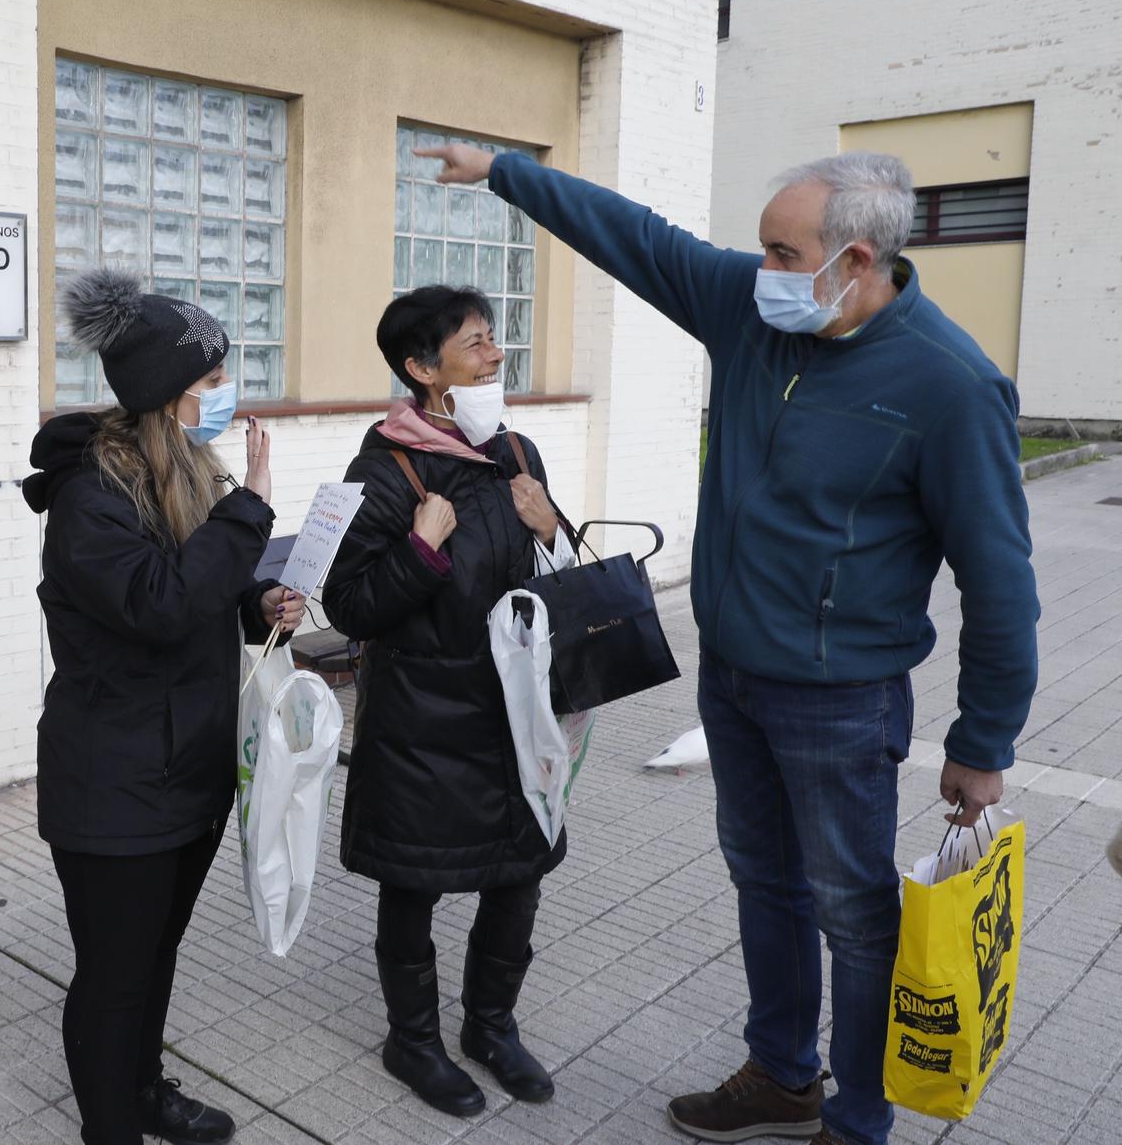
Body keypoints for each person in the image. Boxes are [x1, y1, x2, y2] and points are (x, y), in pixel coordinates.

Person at [415, 141, 1041, 1145]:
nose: (760, 272)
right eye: (760, 250)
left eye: (782, 253)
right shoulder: (750, 308)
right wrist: (502, 171)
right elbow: (633, 238)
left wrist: (984, 738)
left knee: (854, 910)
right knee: (765, 883)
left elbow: (1001, 579)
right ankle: (782, 1073)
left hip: (842, 699)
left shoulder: (949, 385)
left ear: (857, 264)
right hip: (734, 678)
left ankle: (859, 1115)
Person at [24, 270, 305, 1145]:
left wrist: (256, 603)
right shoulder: (88, 501)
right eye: (210, 382)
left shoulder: (184, 470)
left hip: (186, 770)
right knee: (113, 977)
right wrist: (253, 504)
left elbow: (202, 590)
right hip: (114, 786)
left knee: (155, 957)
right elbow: (157, 604)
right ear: (162, 396)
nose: (226, 395)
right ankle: (111, 1125)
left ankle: (142, 1092)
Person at [324, 284, 579, 1119]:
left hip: (514, 715)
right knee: (416, 881)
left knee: (520, 873)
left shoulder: (516, 451)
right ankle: (415, 1038)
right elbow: (352, 606)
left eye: (492, 338)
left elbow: (560, 583)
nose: (495, 353)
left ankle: (492, 1027)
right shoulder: (386, 467)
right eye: (475, 342)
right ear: (423, 369)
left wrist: (550, 527)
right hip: (424, 724)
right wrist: (422, 548)